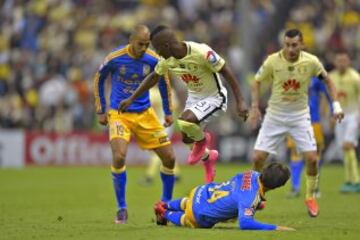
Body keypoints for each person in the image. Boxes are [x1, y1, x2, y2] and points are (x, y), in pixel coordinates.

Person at [119, 25, 248, 183]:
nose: (157, 53)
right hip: (194, 99)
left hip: (215, 97)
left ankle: (202, 141)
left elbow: (226, 71)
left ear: (166, 46)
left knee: (185, 121)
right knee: (186, 139)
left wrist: (240, 101)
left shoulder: (201, 52)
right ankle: (209, 158)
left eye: (158, 49)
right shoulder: (167, 59)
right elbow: (153, 77)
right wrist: (131, 98)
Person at [249, 29, 344, 217]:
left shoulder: (311, 61)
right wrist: (254, 106)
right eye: (287, 45)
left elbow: (329, 81)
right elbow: (257, 81)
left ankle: (310, 196)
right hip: (275, 115)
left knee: (312, 159)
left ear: (301, 45)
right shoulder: (272, 61)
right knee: (258, 158)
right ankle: (255, 195)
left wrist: (336, 105)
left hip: (299, 116)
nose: (290, 49)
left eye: (294, 45)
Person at [93, 25, 176, 224]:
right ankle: (122, 208)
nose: (144, 48)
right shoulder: (115, 58)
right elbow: (99, 79)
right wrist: (101, 109)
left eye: (147, 44)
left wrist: (168, 111)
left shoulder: (153, 59)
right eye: (140, 44)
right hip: (119, 114)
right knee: (119, 156)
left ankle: (165, 205)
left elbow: (165, 81)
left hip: (145, 114)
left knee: (170, 158)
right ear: (131, 40)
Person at [153, 162, 295, 231]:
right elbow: (245, 223)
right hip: (200, 213)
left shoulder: (251, 173)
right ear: (277, 186)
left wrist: (256, 204)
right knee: (191, 220)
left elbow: (241, 191)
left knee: (188, 202)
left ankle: (166, 204)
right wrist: (275, 228)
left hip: (202, 191)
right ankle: (165, 213)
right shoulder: (250, 199)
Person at [287, 76, 333, 198]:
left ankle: (314, 187)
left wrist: (334, 110)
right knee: (296, 154)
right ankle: (295, 187)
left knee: (314, 154)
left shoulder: (316, 78)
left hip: (314, 121)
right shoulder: (289, 76)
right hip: (295, 121)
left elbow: (328, 94)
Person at [329, 51, 360, 193]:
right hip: (338, 117)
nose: (342, 63)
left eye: (344, 60)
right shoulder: (331, 77)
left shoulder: (355, 77)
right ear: (335, 62)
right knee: (343, 148)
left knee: (349, 145)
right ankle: (349, 180)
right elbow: (329, 98)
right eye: (339, 60)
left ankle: (356, 181)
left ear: (348, 62)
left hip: (353, 115)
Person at [139, 87, 181, 185]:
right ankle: (176, 174)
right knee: (165, 150)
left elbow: (147, 108)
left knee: (158, 150)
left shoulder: (151, 92)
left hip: (159, 125)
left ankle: (149, 177)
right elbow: (176, 106)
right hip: (167, 124)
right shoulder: (170, 91)